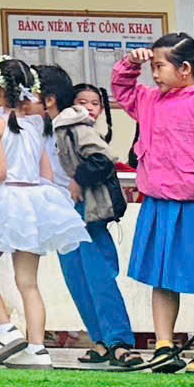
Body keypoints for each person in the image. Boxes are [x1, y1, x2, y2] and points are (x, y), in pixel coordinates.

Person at [0, 56, 87, 368]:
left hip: (3, 202)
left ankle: (6, 330)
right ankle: (37, 348)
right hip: (33, 201)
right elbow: (45, 174)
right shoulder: (36, 125)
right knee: (28, 282)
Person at [112, 34, 194, 374]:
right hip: (160, 203)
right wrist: (129, 64)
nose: (154, 74)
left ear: (185, 68)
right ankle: (164, 345)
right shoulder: (149, 100)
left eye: (159, 66)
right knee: (160, 277)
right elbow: (122, 90)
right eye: (151, 66)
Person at [39, 67, 139, 369]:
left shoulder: (73, 124)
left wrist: (78, 179)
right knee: (77, 280)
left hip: (84, 210)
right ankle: (100, 340)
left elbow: (103, 159)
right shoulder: (42, 127)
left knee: (99, 277)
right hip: (60, 212)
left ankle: (119, 342)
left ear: (49, 98)